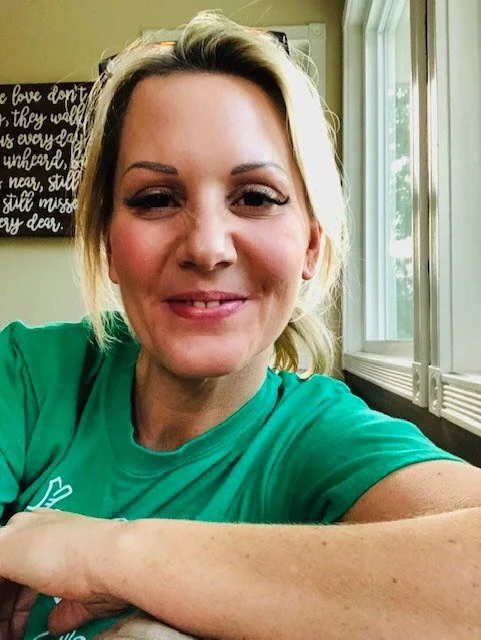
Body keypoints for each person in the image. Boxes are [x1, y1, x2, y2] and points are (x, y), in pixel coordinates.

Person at [0, 10, 480, 640]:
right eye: (156, 199)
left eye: (255, 197)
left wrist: (116, 554)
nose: (207, 248)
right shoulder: (30, 376)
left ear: (311, 247)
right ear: (108, 246)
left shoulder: (326, 438)